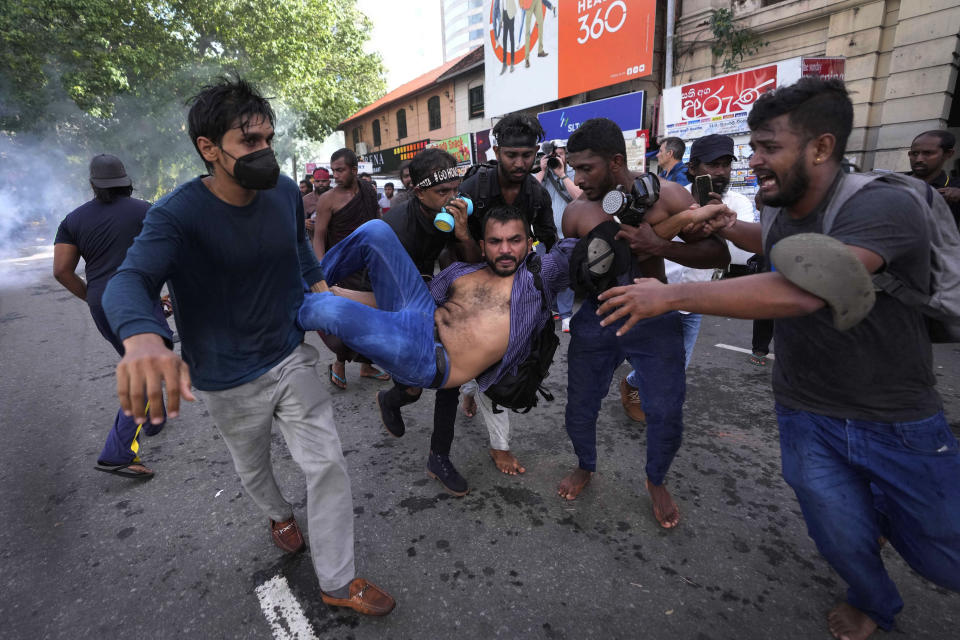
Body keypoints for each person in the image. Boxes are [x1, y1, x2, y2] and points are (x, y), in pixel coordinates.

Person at [595, 77, 960, 640]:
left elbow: (812, 284)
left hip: (895, 415)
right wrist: (728, 227)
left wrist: (670, 294)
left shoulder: (884, 203)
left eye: (770, 147)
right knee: (838, 534)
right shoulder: (781, 206)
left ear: (821, 147)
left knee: (942, 555)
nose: (754, 161)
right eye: (754, 146)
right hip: (804, 408)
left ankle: (889, 518)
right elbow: (778, 242)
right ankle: (871, 599)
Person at [102, 78, 394, 616]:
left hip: (289, 354)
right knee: (253, 465)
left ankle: (337, 578)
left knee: (327, 462)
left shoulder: (283, 191)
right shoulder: (175, 214)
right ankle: (277, 513)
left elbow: (301, 254)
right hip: (225, 376)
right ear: (209, 149)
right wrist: (143, 336)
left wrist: (326, 300)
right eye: (249, 142)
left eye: (267, 138)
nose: (264, 151)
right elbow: (128, 279)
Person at [297, 205, 576, 491]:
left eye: (514, 240)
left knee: (331, 312)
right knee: (375, 231)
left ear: (529, 244)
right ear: (483, 245)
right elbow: (397, 303)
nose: (505, 249)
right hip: (417, 318)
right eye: (495, 241)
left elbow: (582, 249)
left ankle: (274, 310)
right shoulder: (460, 274)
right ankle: (309, 284)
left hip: (429, 359)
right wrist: (336, 293)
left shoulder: (537, 279)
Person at [557, 118, 731, 532]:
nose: (578, 180)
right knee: (580, 406)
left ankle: (656, 480)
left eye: (587, 169)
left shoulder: (669, 195)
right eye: (573, 169)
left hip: (655, 317)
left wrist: (661, 246)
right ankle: (585, 465)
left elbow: (718, 255)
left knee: (667, 410)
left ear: (616, 161)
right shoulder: (576, 212)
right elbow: (568, 274)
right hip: (597, 317)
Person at [53, 154, 171, 479]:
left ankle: (151, 419)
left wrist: (93, 296)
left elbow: (62, 271)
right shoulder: (147, 210)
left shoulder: (73, 220)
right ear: (125, 180)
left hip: (102, 305)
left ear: (93, 184)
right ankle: (118, 452)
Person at [621, 134, 754, 419]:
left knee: (676, 365)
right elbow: (644, 242)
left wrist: (720, 226)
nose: (720, 172)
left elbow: (734, 254)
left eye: (725, 165)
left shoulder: (737, 205)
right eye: (713, 164)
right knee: (647, 359)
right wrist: (683, 222)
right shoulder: (670, 197)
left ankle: (637, 387)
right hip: (657, 293)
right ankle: (635, 383)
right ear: (693, 168)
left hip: (695, 300)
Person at [376, 148, 482, 495]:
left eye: (456, 189)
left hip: (431, 292)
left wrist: (464, 234)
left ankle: (439, 456)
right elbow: (382, 284)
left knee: (450, 376)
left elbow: (472, 264)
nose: (452, 199)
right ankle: (392, 399)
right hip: (395, 298)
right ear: (418, 192)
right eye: (442, 192)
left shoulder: (454, 210)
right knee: (413, 385)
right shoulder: (394, 227)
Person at [313, 148, 391, 388]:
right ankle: (339, 363)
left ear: (355, 170)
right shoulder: (327, 199)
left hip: (370, 264)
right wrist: (321, 271)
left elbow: (377, 223)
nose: (335, 175)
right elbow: (319, 236)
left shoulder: (368, 191)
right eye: (333, 170)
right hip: (342, 268)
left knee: (373, 319)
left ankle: (367, 366)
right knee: (346, 321)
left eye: (340, 170)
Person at [460, 112, 557, 251]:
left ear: (536, 151)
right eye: (511, 155)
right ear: (497, 152)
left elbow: (550, 245)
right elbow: (449, 250)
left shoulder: (539, 195)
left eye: (527, 155)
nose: (519, 163)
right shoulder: (471, 190)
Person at [534, 139, 582, 332]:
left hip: (566, 235)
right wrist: (542, 170)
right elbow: (526, 192)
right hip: (544, 235)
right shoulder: (541, 175)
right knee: (543, 273)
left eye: (561, 154)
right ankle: (549, 309)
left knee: (565, 277)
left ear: (566, 156)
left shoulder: (572, 174)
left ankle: (565, 315)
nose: (557, 158)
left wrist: (561, 175)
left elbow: (578, 196)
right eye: (554, 155)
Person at [907, 130, 960, 227]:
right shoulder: (891, 182)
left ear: (948, 154)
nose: (919, 159)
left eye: (927, 153)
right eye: (914, 153)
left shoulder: (955, 187)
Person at [522, 0, 547, 67]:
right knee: (528, 29)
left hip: (537, 1)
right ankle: (527, 59)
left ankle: (540, 51)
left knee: (540, 22)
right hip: (528, 2)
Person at [500, 0, 517, 75]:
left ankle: (512, 63)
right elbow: (502, 6)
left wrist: (513, 13)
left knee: (511, 38)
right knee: (504, 39)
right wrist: (501, 21)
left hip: (510, 15)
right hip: (504, 16)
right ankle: (504, 64)